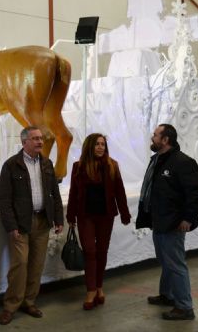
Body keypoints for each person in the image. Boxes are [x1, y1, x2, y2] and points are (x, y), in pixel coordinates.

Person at [0, 126, 64, 326]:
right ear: (24, 142)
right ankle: (10, 307)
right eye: (35, 139)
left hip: (43, 221)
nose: (40, 142)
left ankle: (29, 302)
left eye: (41, 138)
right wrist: (11, 226)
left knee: (36, 265)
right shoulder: (11, 165)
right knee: (20, 264)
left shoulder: (47, 164)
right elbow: (3, 199)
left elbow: (54, 194)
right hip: (21, 224)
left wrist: (58, 219)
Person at [136, 124, 198, 321]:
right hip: (159, 220)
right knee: (166, 261)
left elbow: (195, 193)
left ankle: (184, 306)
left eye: (156, 135)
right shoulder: (157, 160)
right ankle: (167, 295)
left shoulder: (183, 162)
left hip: (173, 222)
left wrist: (189, 218)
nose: (152, 137)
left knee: (175, 263)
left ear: (165, 140)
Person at [66, 133, 131, 310]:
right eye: (97, 144)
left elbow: (120, 191)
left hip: (105, 216)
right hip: (85, 216)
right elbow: (73, 193)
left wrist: (125, 214)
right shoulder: (78, 166)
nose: (101, 147)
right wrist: (70, 216)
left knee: (102, 251)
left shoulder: (112, 165)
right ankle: (91, 290)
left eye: (103, 144)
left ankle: (99, 287)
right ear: (89, 146)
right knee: (90, 251)